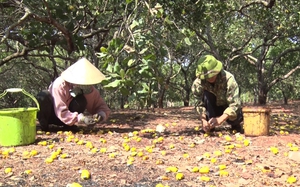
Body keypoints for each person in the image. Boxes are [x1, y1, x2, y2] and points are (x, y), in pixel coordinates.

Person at [36, 57, 111, 131]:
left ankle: (68, 126)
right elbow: (60, 109)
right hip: (53, 115)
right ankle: (44, 126)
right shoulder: (59, 85)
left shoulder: (88, 88)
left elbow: (100, 105)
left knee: (81, 100)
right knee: (43, 96)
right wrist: (81, 118)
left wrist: (101, 114)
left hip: (69, 117)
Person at [191, 55, 244, 133]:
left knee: (236, 117)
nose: (210, 78)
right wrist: (203, 120)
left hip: (227, 107)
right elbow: (198, 103)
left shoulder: (229, 79)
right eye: (207, 76)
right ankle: (210, 125)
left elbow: (235, 104)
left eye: (212, 75)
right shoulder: (198, 83)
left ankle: (235, 125)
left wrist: (220, 119)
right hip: (212, 108)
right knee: (207, 95)